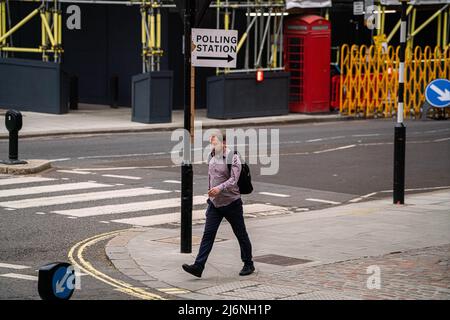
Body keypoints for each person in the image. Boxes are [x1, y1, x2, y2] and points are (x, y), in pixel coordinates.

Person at [182, 130, 255, 278]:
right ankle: (198, 266)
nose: (214, 145)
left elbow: (234, 179)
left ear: (224, 142)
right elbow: (212, 176)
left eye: (216, 142)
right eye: (212, 142)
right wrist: (211, 194)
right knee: (208, 235)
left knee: (240, 234)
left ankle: (248, 263)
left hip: (232, 203)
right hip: (215, 204)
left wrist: (218, 189)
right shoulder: (211, 156)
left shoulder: (233, 157)